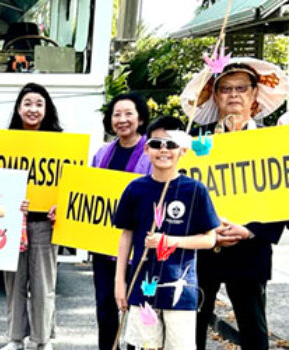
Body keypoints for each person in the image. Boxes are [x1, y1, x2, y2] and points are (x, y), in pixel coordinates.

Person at [183, 60, 289, 350]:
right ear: (215, 96)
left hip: (250, 250)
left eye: (241, 88)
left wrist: (251, 231)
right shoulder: (195, 144)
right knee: (192, 325)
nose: (233, 94)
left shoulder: (273, 143)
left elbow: (281, 198)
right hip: (205, 249)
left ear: (255, 94)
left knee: (253, 327)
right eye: (226, 89)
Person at [113, 116, 219, 350]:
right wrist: (120, 281)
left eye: (170, 144)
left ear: (182, 149)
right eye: (157, 143)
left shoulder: (195, 190)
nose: (164, 150)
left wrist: (169, 241)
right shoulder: (135, 189)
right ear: (146, 148)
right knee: (143, 346)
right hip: (142, 287)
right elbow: (126, 235)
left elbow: (209, 239)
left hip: (180, 292)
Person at [1, 82, 63, 350]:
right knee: (13, 283)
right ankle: (15, 338)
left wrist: (60, 205)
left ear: (46, 109)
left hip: (45, 225)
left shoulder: (60, 143)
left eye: (39, 104)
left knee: (43, 284)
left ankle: (42, 339)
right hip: (13, 223)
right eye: (27, 103)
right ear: (18, 108)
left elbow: (70, 183)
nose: (33, 109)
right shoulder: (4, 142)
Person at [91, 93, 152, 350]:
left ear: (140, 118)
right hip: (104, 243)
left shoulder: (152, 152)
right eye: (117, 114)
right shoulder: (102, 153)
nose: (123, 119)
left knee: (138, 306)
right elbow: (87, 192)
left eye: (129, 113)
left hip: (139, 244)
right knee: (105, 305)